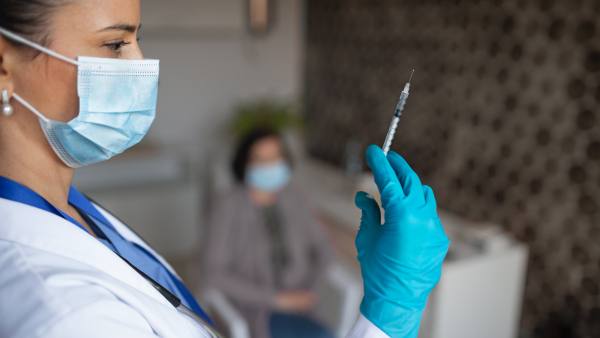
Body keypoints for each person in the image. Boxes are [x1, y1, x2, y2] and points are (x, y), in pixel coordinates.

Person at [0, 0, 450, 337]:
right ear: (5, 66)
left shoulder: (65, 208)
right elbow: (214, 276)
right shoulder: (66, 316)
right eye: (116, 43)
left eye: (138, 39)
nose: (141, 65)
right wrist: (390, 312)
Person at [201, 128, 334, 338]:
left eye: (275, 156)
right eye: (259, 159)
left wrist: (311, 292)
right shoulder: (226, 207)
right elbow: (212, 273)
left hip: (302, 308)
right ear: (244, 164)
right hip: (252, 310)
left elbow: (323, 249)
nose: (269, 164)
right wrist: (276, 298)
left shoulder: (294, 198)